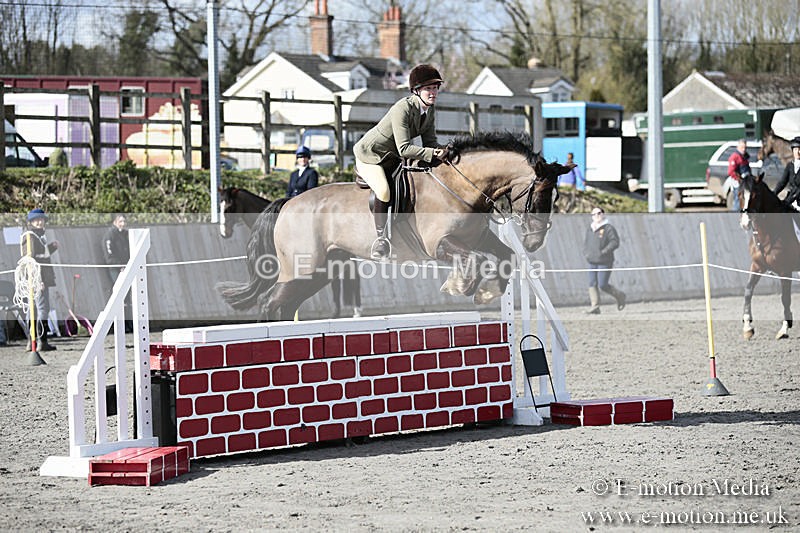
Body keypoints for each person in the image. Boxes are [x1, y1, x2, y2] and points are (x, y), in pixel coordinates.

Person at [353, 63, 451, 260]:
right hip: (371, 155)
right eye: (428, 88)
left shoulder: (429, 110)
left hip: (392, 157)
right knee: (384, 190)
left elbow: (430, 143)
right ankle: (381, 239)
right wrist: (433, 153)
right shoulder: (402, 108)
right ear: (416, 90)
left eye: (435, 88)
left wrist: (446, 150)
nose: (433, 93)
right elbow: (404, 149)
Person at [20, 208, 58, 351]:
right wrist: (37, 280)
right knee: (41, 309)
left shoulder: (39, 236)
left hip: (39, 278)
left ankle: (33, 342)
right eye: (36, 220)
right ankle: (40, 341)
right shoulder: (30, 236)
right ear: (31, 222)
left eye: (41, 219)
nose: (39, 222)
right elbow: (31, 260)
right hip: (36, 279)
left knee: (35, 310)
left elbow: (42, 255)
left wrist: (52, 248)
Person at [582, 207, 626, 314]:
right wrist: (587, 253)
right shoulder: (590, 229)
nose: (597, 215)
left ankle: (620, 295)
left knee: (602, 284)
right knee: (592, 283)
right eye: (594, 214)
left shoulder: (608, 228)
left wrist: (604, 251)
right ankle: (595, 306)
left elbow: (615, 242)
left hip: (605, 261)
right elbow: (587, 242)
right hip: (592, 260)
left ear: (603, 214)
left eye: (599, 213)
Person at [102, 214, 132, 332]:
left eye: (124, 221)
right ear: (115, 222)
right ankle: (118, 324)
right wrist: (119, 265)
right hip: (115, 269)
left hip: (126, 268)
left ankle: (128, 324)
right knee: (119, 294)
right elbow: (109, 255)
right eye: (120, 221)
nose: (123, 224)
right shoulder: (109, 236)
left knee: (127, 296)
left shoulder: (125, 234)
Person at [773, 136, 800, 228]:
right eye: (796, 149)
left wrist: (791, 199)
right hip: (790, 199)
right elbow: (782, 183)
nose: (798, 152)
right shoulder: (790, 166)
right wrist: (773, 194)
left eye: (799, 149)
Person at [727, 139, 751, 212]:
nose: (744, 149)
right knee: (738, 201)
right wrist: (739, 179)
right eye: (742, 147)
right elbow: (731, 171)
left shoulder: (745, 157)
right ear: (738, 147)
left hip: (746, 182)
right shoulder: (734, 157)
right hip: (738, 183)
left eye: (745, 147)